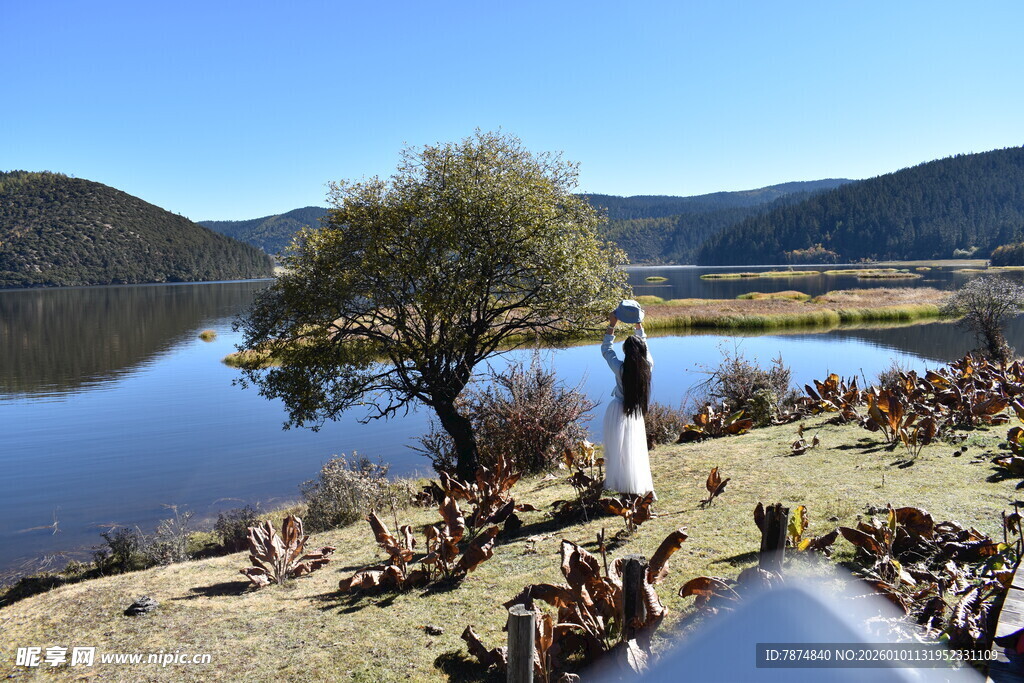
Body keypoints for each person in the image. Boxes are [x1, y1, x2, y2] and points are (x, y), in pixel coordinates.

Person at [601, 302, 655, 496]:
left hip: (617, 410)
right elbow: (645, 346)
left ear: (625, 351)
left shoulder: (621, 369)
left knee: (618, 451)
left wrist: (612, 325)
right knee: (635, 449)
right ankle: (635, 486)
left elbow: (607, 350)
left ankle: (623, 485)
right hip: (635, 412)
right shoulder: (648, 366)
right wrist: (638, 325)